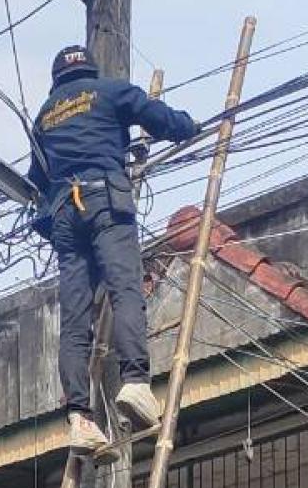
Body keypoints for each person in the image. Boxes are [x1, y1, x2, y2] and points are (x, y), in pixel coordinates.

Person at [26, 45, 200, 458]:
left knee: (75, 317)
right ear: (90, 69)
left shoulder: (44, 117)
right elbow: (159, 118)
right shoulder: (109, 91)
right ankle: (135, 382)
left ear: (56, 79)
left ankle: (79, 418)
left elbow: (36, 179)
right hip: (104, 201)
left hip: (64, 216)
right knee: (125, 289)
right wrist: (189, 126)